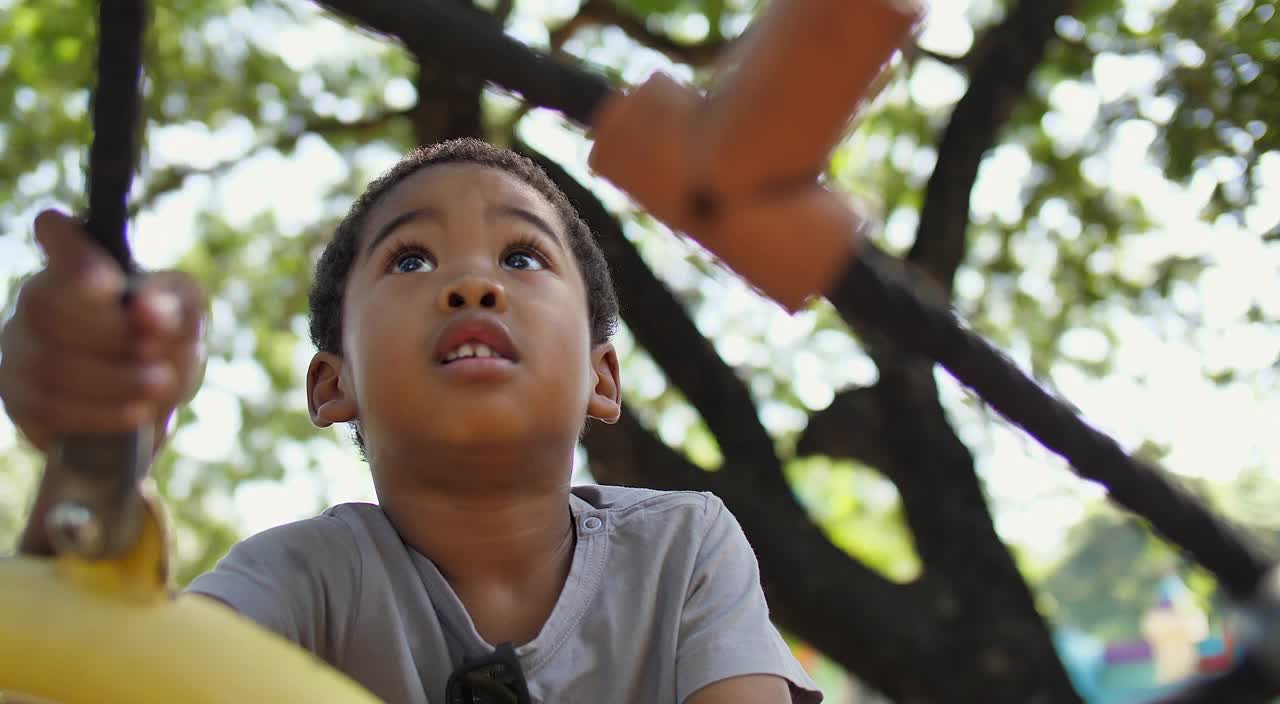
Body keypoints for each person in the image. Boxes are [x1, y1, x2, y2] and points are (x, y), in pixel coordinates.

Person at [0, 138, 821, 703]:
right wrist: (95, 457)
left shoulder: (685, 550)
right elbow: (88, 668)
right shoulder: (303, 578)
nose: (472, 285)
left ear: (603, 379)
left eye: (522, 258)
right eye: (412, 259)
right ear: (332, 385)